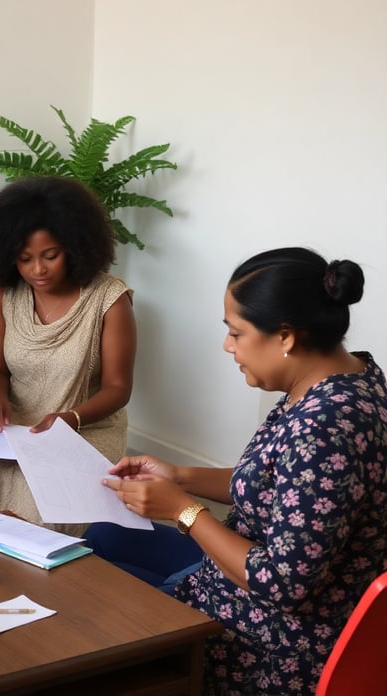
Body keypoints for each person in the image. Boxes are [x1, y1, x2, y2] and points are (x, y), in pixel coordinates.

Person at [86, 247, 387, 695]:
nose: (228, 346)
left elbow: (284, 586)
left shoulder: (325, 428)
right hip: (238, 582)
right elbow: (279, 485)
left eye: (236, 333)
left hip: (272, 638)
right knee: (103, 536)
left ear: (285, 336)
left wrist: (185, 511)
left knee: (90, 623)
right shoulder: (345, 375)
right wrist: (178, 477)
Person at [0, 176, 136, 534]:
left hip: (87, 426)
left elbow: (118, 388)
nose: (37, 270)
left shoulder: (110, 299)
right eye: (24, 259)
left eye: (50, 256)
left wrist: (70, 418)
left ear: (75, 246)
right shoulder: (4, 294)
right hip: (17, 424)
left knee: (38, 484)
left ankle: (43, 573)